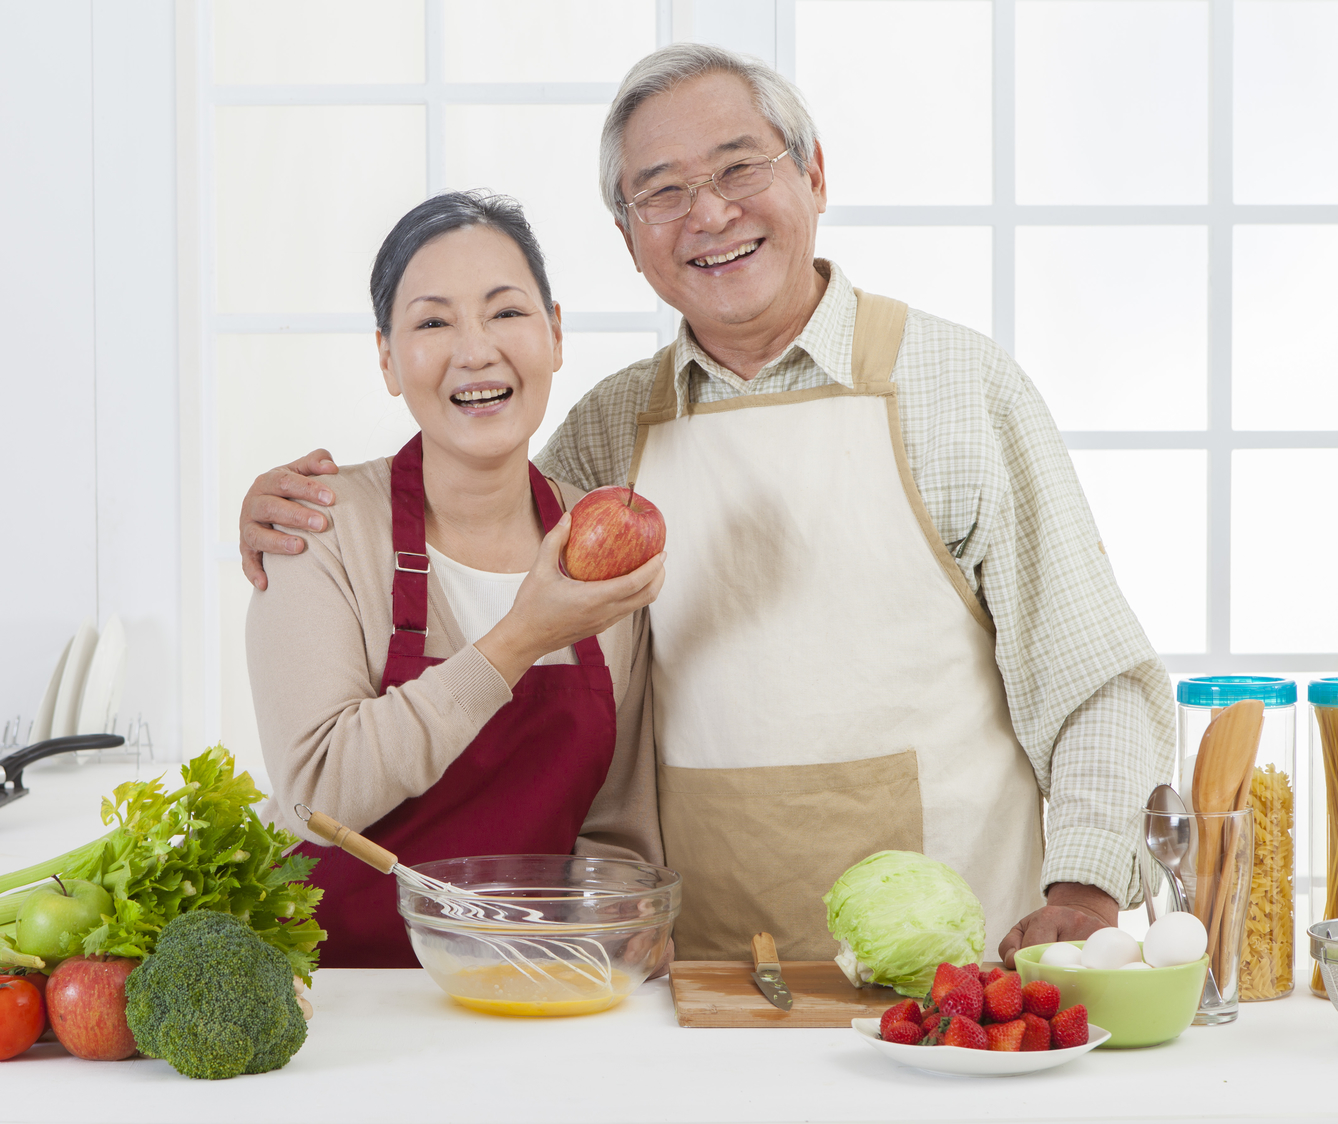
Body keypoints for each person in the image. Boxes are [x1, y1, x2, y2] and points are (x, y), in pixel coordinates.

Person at [241, 44, 1175, 967]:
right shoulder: (608, 436)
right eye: (663, 192)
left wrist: (1085, 887)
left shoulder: (960, 389)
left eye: (739, 168)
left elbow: (1093, 679)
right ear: (629, 238)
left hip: (946, 980)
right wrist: (276, 520)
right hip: (695, 983)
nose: (711, 214)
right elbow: (484, 534)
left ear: (813, 174)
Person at [246, 191, 666, 969]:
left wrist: (620, 920)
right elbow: (315, 794)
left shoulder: (604, 546)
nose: (476, 351)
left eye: (506, 312)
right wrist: (520, 639)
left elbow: (616, 818)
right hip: (330, 995)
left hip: (527, 987)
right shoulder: (317, 528)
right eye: (434, 322)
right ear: (386, 358)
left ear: (556, 334)